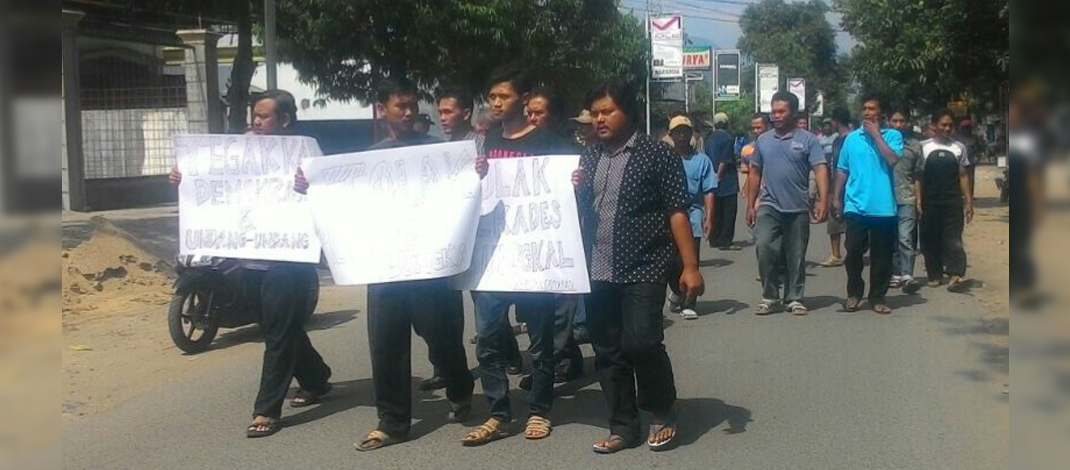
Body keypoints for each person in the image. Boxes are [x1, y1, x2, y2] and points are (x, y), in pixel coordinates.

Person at [319, 78, 481, 452]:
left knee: (442, 339)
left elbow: (465, 193)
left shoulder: (442, 153)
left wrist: (476, 171)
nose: (408, 113)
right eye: (400, 106)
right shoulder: (368, 159)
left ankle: (459, 387)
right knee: (386, 344)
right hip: (385, 269)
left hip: (430, 270)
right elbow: (340, 201)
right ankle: (393, 421)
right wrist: (309, 187)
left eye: (412, 106)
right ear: (382, 110)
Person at [170, 90, 333, 439]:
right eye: (254, 115)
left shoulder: (306, 152)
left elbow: (330, 192)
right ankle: (317, 378)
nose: (255, 121)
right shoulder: (237, 149)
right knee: (279, 326)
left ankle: (266, 410)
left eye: (263, 116)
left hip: (288, 260)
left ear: (285, 121)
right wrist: (186, 180)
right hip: (247, 260)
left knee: (275, 333)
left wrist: (311, 185)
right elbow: (210, 182)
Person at [576, 78, 704, 453]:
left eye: (607, 111)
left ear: (629, 112)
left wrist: (690, 266)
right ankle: (623, 426)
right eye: (594, 113)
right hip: (597, 268)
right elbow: (576, 214)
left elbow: (677, 211)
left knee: (643, 342)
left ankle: (662, 409)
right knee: (608, 351)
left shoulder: (656, 154)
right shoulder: (589, 157)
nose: (599, 119)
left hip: (645, 264)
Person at [462, 66, 571, 446]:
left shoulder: (551, 143)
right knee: (489, 339)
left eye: (502, 96)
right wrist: (474, 174)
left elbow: (568, 190)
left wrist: (573, 181)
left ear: (523, 100)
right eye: (491, 97)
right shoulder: (487, 141)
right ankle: (499, 413)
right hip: (494, 260)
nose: (495, 103)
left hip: (533, 260)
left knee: (540, 342)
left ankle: (539, 410)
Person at [746, 91, 828, 316]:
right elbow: (754, 172)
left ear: (793, 112)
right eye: (773, 111)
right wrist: (750, 205)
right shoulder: (763, 140)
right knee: (764, 247)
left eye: (781, 111)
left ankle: (794, 297)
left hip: (797, 207)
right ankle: (770, 296)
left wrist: (823, 200)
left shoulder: (807, 139)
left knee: (796, 254)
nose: (776, 115)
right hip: (768, 205)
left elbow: (820, 169)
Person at [832, 94, 903, 315]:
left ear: (881, 113)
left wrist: (876, 136)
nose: (866, 112)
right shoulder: (852, 139)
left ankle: (877, 297)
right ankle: (854, 293)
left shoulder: (893, 136)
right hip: (855, 206)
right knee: (852, 251)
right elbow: (842, 169)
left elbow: (892, 159)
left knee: (882, 258)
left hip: (883, 208)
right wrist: (836, 197)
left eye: (872, 108)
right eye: (864, 108)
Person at [917, 109, 975, 292]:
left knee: (953, 239)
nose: (947, 128)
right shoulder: (923, 147)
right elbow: (918, 176)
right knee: (930, 239)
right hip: (930, 202)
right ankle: (934, 275)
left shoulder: (959, 147)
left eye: (950, 125)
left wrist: (968, 201)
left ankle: (956, 274)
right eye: (943, 124)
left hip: (952, 202)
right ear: (934, 126)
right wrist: (918, 200)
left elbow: (963, 176)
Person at [666, 116, 717, 320]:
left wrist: (709, 218)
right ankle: (678, 291)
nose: (682, 135)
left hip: (693, 215)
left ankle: (690, 302)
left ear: (691, 134)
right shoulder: (664, 158)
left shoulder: (701, 160)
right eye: (677, 132)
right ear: (670, 135)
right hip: (667, 218)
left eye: (685, 131)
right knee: (669, 263)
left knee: (691, 261)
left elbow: (709, 190)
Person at [888, 107, 924, 293]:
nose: (898, 125)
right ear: (888, 121)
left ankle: (907, 274)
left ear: (908, 122)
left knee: (905, 238)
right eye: (894, 121)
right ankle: (895, 274)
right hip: (885, 199)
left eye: (902, 121)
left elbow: (918, 175)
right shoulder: (882, 143)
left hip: (907, 197)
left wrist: (918, 200)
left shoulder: (915, 146)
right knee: (891, 238)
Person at [818, 108, 852, 267]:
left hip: (851, 187)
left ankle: (853, 253)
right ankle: (836, 254)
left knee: (852, 224)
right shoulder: (837, 141)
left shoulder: (852, 140)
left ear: (836, 121)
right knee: (834, 222)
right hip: (834, 184)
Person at [705, 112, 740, 250]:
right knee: (729, 212)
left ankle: (714, 238)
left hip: (710, 178)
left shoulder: (709, 138)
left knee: (716, 211)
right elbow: (725, 160)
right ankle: (725, 240)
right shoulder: (728, 138)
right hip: (726, 181)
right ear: (726, 124)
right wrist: (718, 177)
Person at [740, 113, 770, 243]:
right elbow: (747, 174)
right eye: (753, 128)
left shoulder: (775, 146)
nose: (755, 131)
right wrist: (746, 193)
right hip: (758, 197)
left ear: (768, 127)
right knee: (761, 238)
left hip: (775, 196)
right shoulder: (747, 150)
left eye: (759, 127)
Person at [954, 119, 983, 199]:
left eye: (968, 127)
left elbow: (979, 148)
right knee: (959, 177)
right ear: (961, 128)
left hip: (971, 160)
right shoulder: (957, 138)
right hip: (959, 161)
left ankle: (970, 195)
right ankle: (961, 194)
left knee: (970, 178)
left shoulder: (974, 138)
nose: (967, 129)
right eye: (965, 127)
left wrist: (977, 157)